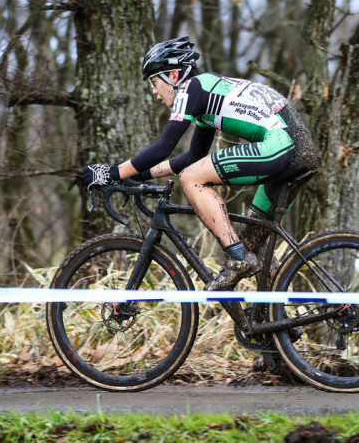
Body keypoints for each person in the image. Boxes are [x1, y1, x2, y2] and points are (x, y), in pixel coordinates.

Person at [84, 36, 318, 293]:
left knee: (191, 178)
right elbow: (192, 157)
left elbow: (164, 147)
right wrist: (141, 175)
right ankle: (276, 323)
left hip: (281, 146)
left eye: (154, 82)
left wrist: (112, 173)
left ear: (173, 75)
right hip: (299, 150)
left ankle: (236, 259)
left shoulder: (191, 89)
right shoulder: (208, 91)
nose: (154, 92)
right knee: (254, 244)